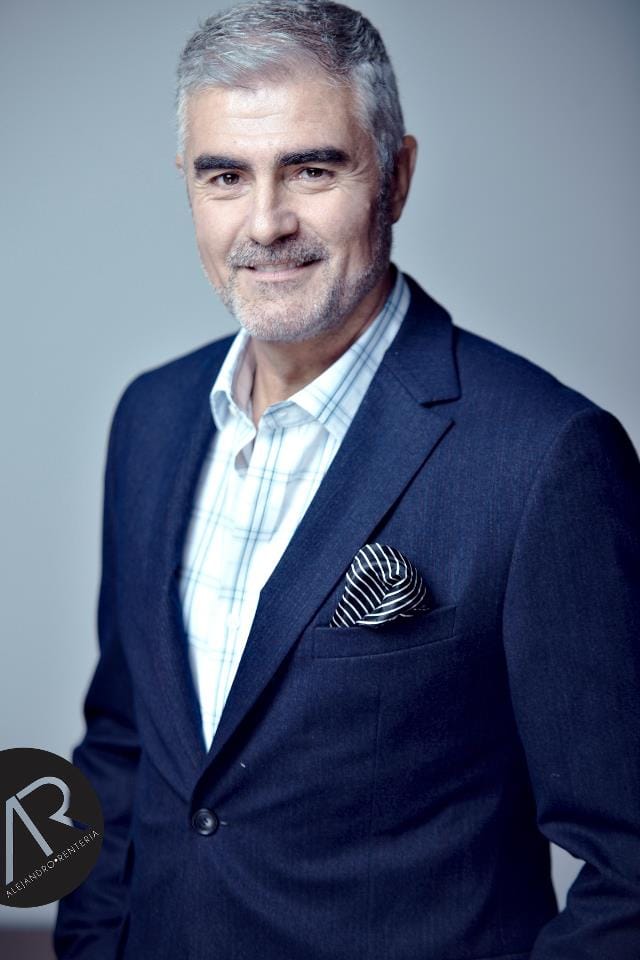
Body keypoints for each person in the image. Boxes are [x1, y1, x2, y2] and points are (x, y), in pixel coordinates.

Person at [54, 2, 640, 958]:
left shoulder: (545, 458)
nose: (267, 222)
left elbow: (630, 864)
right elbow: (122, 744)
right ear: (188, 186)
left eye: (313, 169)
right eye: (226, 175)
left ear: (396, 177)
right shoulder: (149, 420)